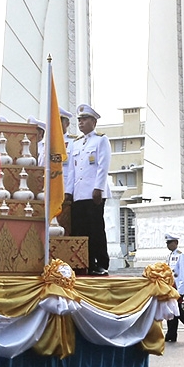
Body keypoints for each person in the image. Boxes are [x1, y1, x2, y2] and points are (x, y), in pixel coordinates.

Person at [63, 103, 110, 275]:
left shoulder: (101, 140)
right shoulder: (76, 144)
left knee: (95, 229)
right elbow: (72, 171)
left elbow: (103, 167)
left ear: (93, 121)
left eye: (84, 119)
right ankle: (86, 262)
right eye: (80, 120)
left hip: (93, 193)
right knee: (80, 230)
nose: (81, 123)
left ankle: (101, 263)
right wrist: (69, 191)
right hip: (79, 193)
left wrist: (99, 188)